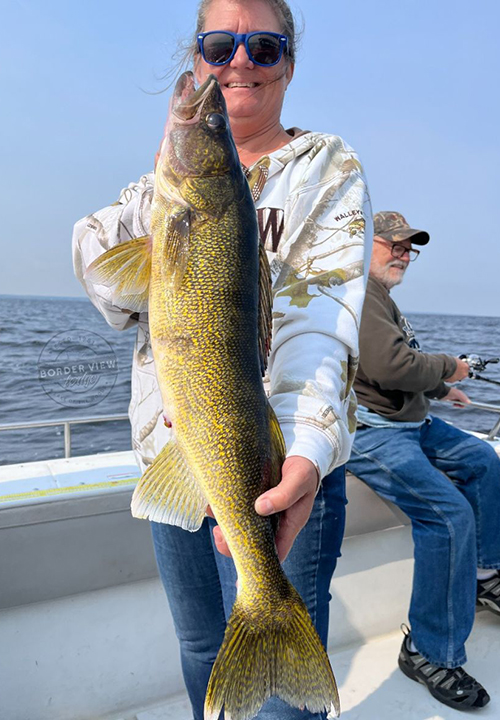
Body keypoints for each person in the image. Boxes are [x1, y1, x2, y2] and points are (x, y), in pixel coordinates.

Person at [73, 1, 372, 717]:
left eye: (263, 48)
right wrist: (158, 200)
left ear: (288, 66)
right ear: (198, 53)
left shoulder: (326, 167)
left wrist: (304, 451)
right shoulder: (159, 194)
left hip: (282, 467)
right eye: (218, 44)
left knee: (280, 692)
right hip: (171, 454)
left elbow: (322, 322)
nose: (237, 62)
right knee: (204, 647)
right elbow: (104, 280)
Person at [346, 210, 500, 711]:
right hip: (373, 434)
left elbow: (393, 364)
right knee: (448, 516)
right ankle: (427, 651)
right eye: (395, 245)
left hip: (412, 422)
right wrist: (451, 366)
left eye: (410, 248)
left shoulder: (381, 297)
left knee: (483, 459)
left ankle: (483, 575)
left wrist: (441, 387)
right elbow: (391, 365)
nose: (405, 255)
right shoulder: (361, 293)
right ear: (365, 244)